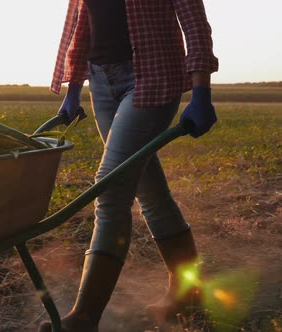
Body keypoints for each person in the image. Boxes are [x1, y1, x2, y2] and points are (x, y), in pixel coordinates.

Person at [39, 0, 218, 331]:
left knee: (111, 187)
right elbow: (83, 24)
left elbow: (194, 23)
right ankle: (188, 293)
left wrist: (201, 91)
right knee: (148, 189)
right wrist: (74, 89)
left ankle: (84, 318)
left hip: (151, 77)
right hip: (102, 83)